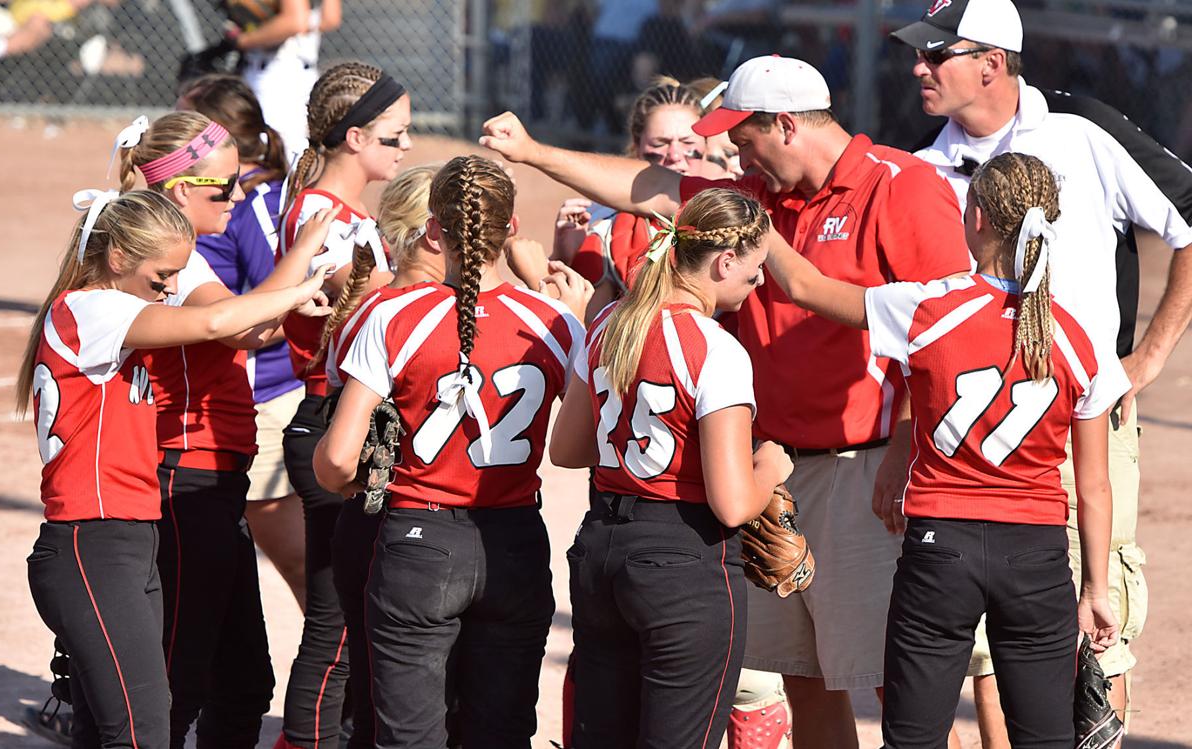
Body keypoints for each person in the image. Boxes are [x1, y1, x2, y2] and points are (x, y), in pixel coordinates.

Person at [480, 54, 971, 747]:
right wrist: (533, 153)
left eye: (743, 138)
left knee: (900, 683)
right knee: (806, 679)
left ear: (787, 125)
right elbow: (649, 186)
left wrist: (906, 444)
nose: (732, 154)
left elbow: (950, 328)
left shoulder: (902, 186)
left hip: (863, 467)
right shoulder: (756, 195)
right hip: (772, 469)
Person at [891, 0, 1192, 740]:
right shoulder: (921, 163)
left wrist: (1147, 355)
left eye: (936, 54)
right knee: (994, 654)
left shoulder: (1081, 130)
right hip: (966, 447)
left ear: (991, 63)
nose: (917, 67)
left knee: (1096, 629)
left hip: (1082, 424)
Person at [766, 151, 1124, 747]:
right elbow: (1093, 486)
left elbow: (806, 286)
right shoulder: (1078, 330)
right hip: (1035, 557)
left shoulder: (928, 306)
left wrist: (758, 225)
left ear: (978, 217)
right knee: (1047, 738)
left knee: (913, 738)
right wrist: (1097, 588)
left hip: (940, 551)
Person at [19, 189, 329, 749]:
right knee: (141, 731)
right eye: (162, 275)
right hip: (93, 542)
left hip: (129, 539)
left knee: (125, 724)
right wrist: (304, 283)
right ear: (117, 259)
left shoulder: (113, 315)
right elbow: (217, 323)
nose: (168, 289)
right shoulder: (92, 309)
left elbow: (234, 329)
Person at [313, 155, 587, 748]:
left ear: (433, 231)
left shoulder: (392, 314)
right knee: (501, 730)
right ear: (511, 228)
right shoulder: (555, 322)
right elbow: (585, 444)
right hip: (514, 537)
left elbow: (335, 460)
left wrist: (355, 483)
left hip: (418, 540)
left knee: (409, 735)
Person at [116, 109, 341, 748]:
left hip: (218, 479)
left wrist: (295, 289)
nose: (239, 197)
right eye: (224, 187)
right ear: (181, 190)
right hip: (186, 480)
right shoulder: (161, 257)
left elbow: (253, 324)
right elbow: (238, 326)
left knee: (242, 680)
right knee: (179, 678)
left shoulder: (183, 255)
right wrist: (301, 260)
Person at [548, 186, 792, 747]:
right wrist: (769, 470)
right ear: (724, 262)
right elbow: (732, 502)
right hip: (681, 558)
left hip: (603, 548)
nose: (756, 289)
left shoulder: (610, 319)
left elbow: (567, 450)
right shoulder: (714, 345)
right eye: (753, 274)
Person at [276, 61, 409, 749]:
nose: (405, 146)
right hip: (330, 417)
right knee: (335, 621)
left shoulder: (343, 212)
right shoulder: (323, 214)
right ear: (354, 137)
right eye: (394, 134)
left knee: (353, 611)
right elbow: (347, 308)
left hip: (341, 416)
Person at [313, 163, 443, 749]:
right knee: (402, 697)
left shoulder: (377, 300)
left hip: (367, 510)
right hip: (397, 518)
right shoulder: (410, 311)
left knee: (371, 686)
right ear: (430, 235)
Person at [177, 72, 310, 612]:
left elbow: (275, 302)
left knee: (303, 564)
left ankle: (348, 680)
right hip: (273, 392)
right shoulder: (260, 192)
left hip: (267, 395)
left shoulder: (250, 203)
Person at [550, 76, 710, 326]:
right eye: (661, 143)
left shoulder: (733, 214)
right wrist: (564, 256)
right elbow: (582, 328)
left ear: (707, 145)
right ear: (637, 146)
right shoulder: (607, 228)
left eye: (688, 142)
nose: (675, 156)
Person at [232, 0, 343, 160]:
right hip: (302, 76)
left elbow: (294, 22)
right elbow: (330, 19)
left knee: (271, 150)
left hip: (275, 78)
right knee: (297, 151)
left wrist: (243, 40)